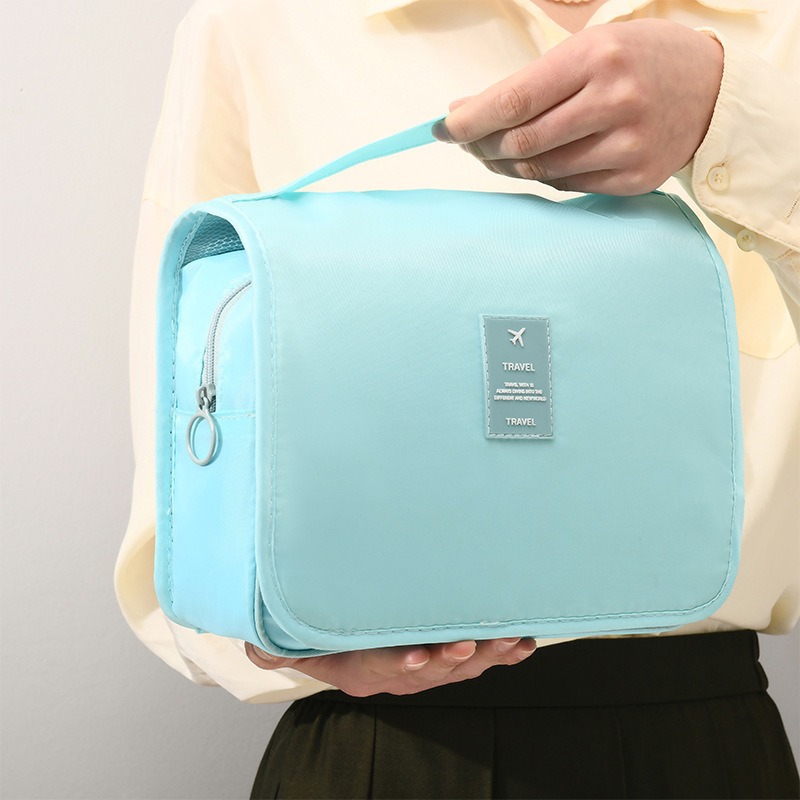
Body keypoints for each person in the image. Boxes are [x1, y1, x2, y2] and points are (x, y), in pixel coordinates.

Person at [116, 0, 800, 796]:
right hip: (384, 749)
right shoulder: (260, 26)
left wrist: (731, 116)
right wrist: (276, 643)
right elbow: (184, 486)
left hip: (713, 746)